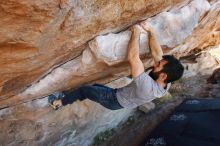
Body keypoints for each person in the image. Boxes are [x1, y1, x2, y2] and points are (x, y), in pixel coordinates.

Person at [48, 23, 184, 110]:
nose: (155, 64)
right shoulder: (166, 82)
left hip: (113, 100)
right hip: (118, 95)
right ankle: (73, 95)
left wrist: (135, 32)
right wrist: (150, 31)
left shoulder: (148, 88)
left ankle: (58, 103)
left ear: (163, 75)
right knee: (93, 87)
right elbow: (158, 54)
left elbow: (133, 58)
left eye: (158, 65)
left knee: (85, 90)